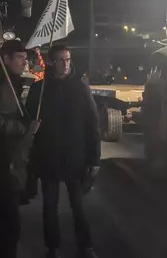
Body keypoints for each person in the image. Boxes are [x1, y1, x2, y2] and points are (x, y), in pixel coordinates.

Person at [26, 44, 101, 258]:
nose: (65, 64)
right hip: (48, 157)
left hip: (75, 158)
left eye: (68, 59)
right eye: (60, 60)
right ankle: (52, 247)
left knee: (79, 206)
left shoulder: (80, 88)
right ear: (52, 62)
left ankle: (85, 246)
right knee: (49, 206)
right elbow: (28, 120)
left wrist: (94, 158)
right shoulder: (39, 90)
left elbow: (92, 125)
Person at [0, 40, 40, 258]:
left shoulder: (5, 81)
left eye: (26, 58)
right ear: (6, 59)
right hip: (3, 165)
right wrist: (25, 126)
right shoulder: (2, 84)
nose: (25, 63)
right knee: (7, 225)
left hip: (4, 163)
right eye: (20, 58)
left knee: (0, 223)